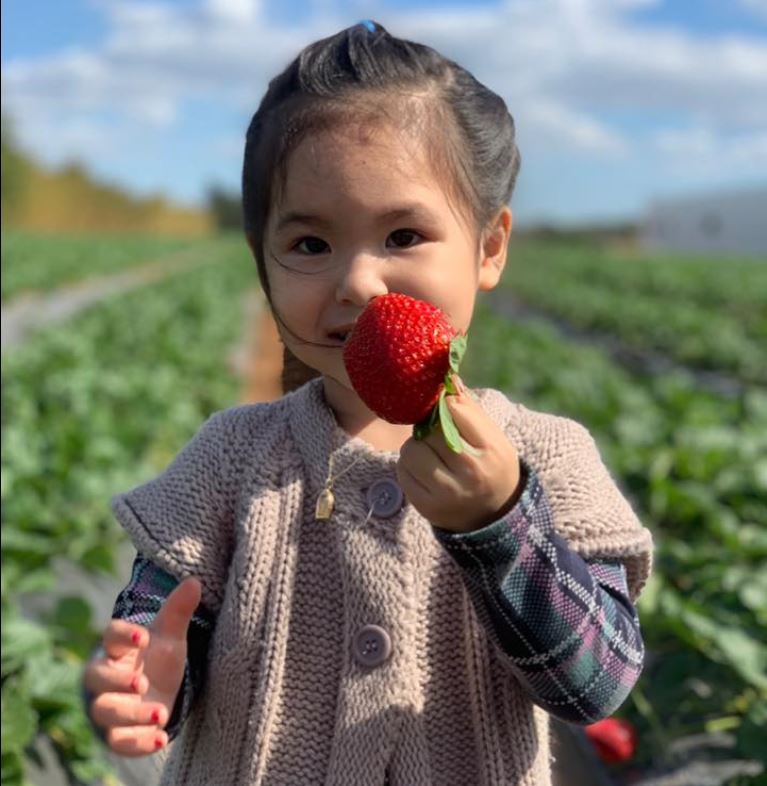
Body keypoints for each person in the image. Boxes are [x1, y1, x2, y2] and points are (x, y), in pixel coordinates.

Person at [82, 20, 653, 786]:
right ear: (263, 267)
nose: (357, 282)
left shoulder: (545, 456)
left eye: (403, 234)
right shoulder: (227, 459)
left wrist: (498, 525)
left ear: (488, 248)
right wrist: (144, 684)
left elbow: (595, 683)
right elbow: (153, 620)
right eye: (310, 245)